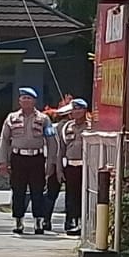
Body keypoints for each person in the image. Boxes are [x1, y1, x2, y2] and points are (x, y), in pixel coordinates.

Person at [0, 88, 50, 235]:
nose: (26, 101)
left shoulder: (43, 119)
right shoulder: (12, 118)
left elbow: (52, 141)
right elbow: (4, 140)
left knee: (38, 191)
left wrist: (51, 163)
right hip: (18, 158)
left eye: (29, 98)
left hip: (37, 158)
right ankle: (18, 221)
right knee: (18, 190)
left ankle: (39, 221)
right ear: (19, 101)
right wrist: (3, 162)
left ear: (34, 101)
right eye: (23, 98)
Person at [54, 100, 93, 235]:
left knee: (84, 196)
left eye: (79, 110)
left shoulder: (91, 127)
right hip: (71, 166)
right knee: (71, 195)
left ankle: (84, 223)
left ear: (84, 111)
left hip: (86, 166)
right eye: (73, 110)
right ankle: (71, 221)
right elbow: (61, 150)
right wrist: (59, 170)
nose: (75, 112)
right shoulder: (67, 127)